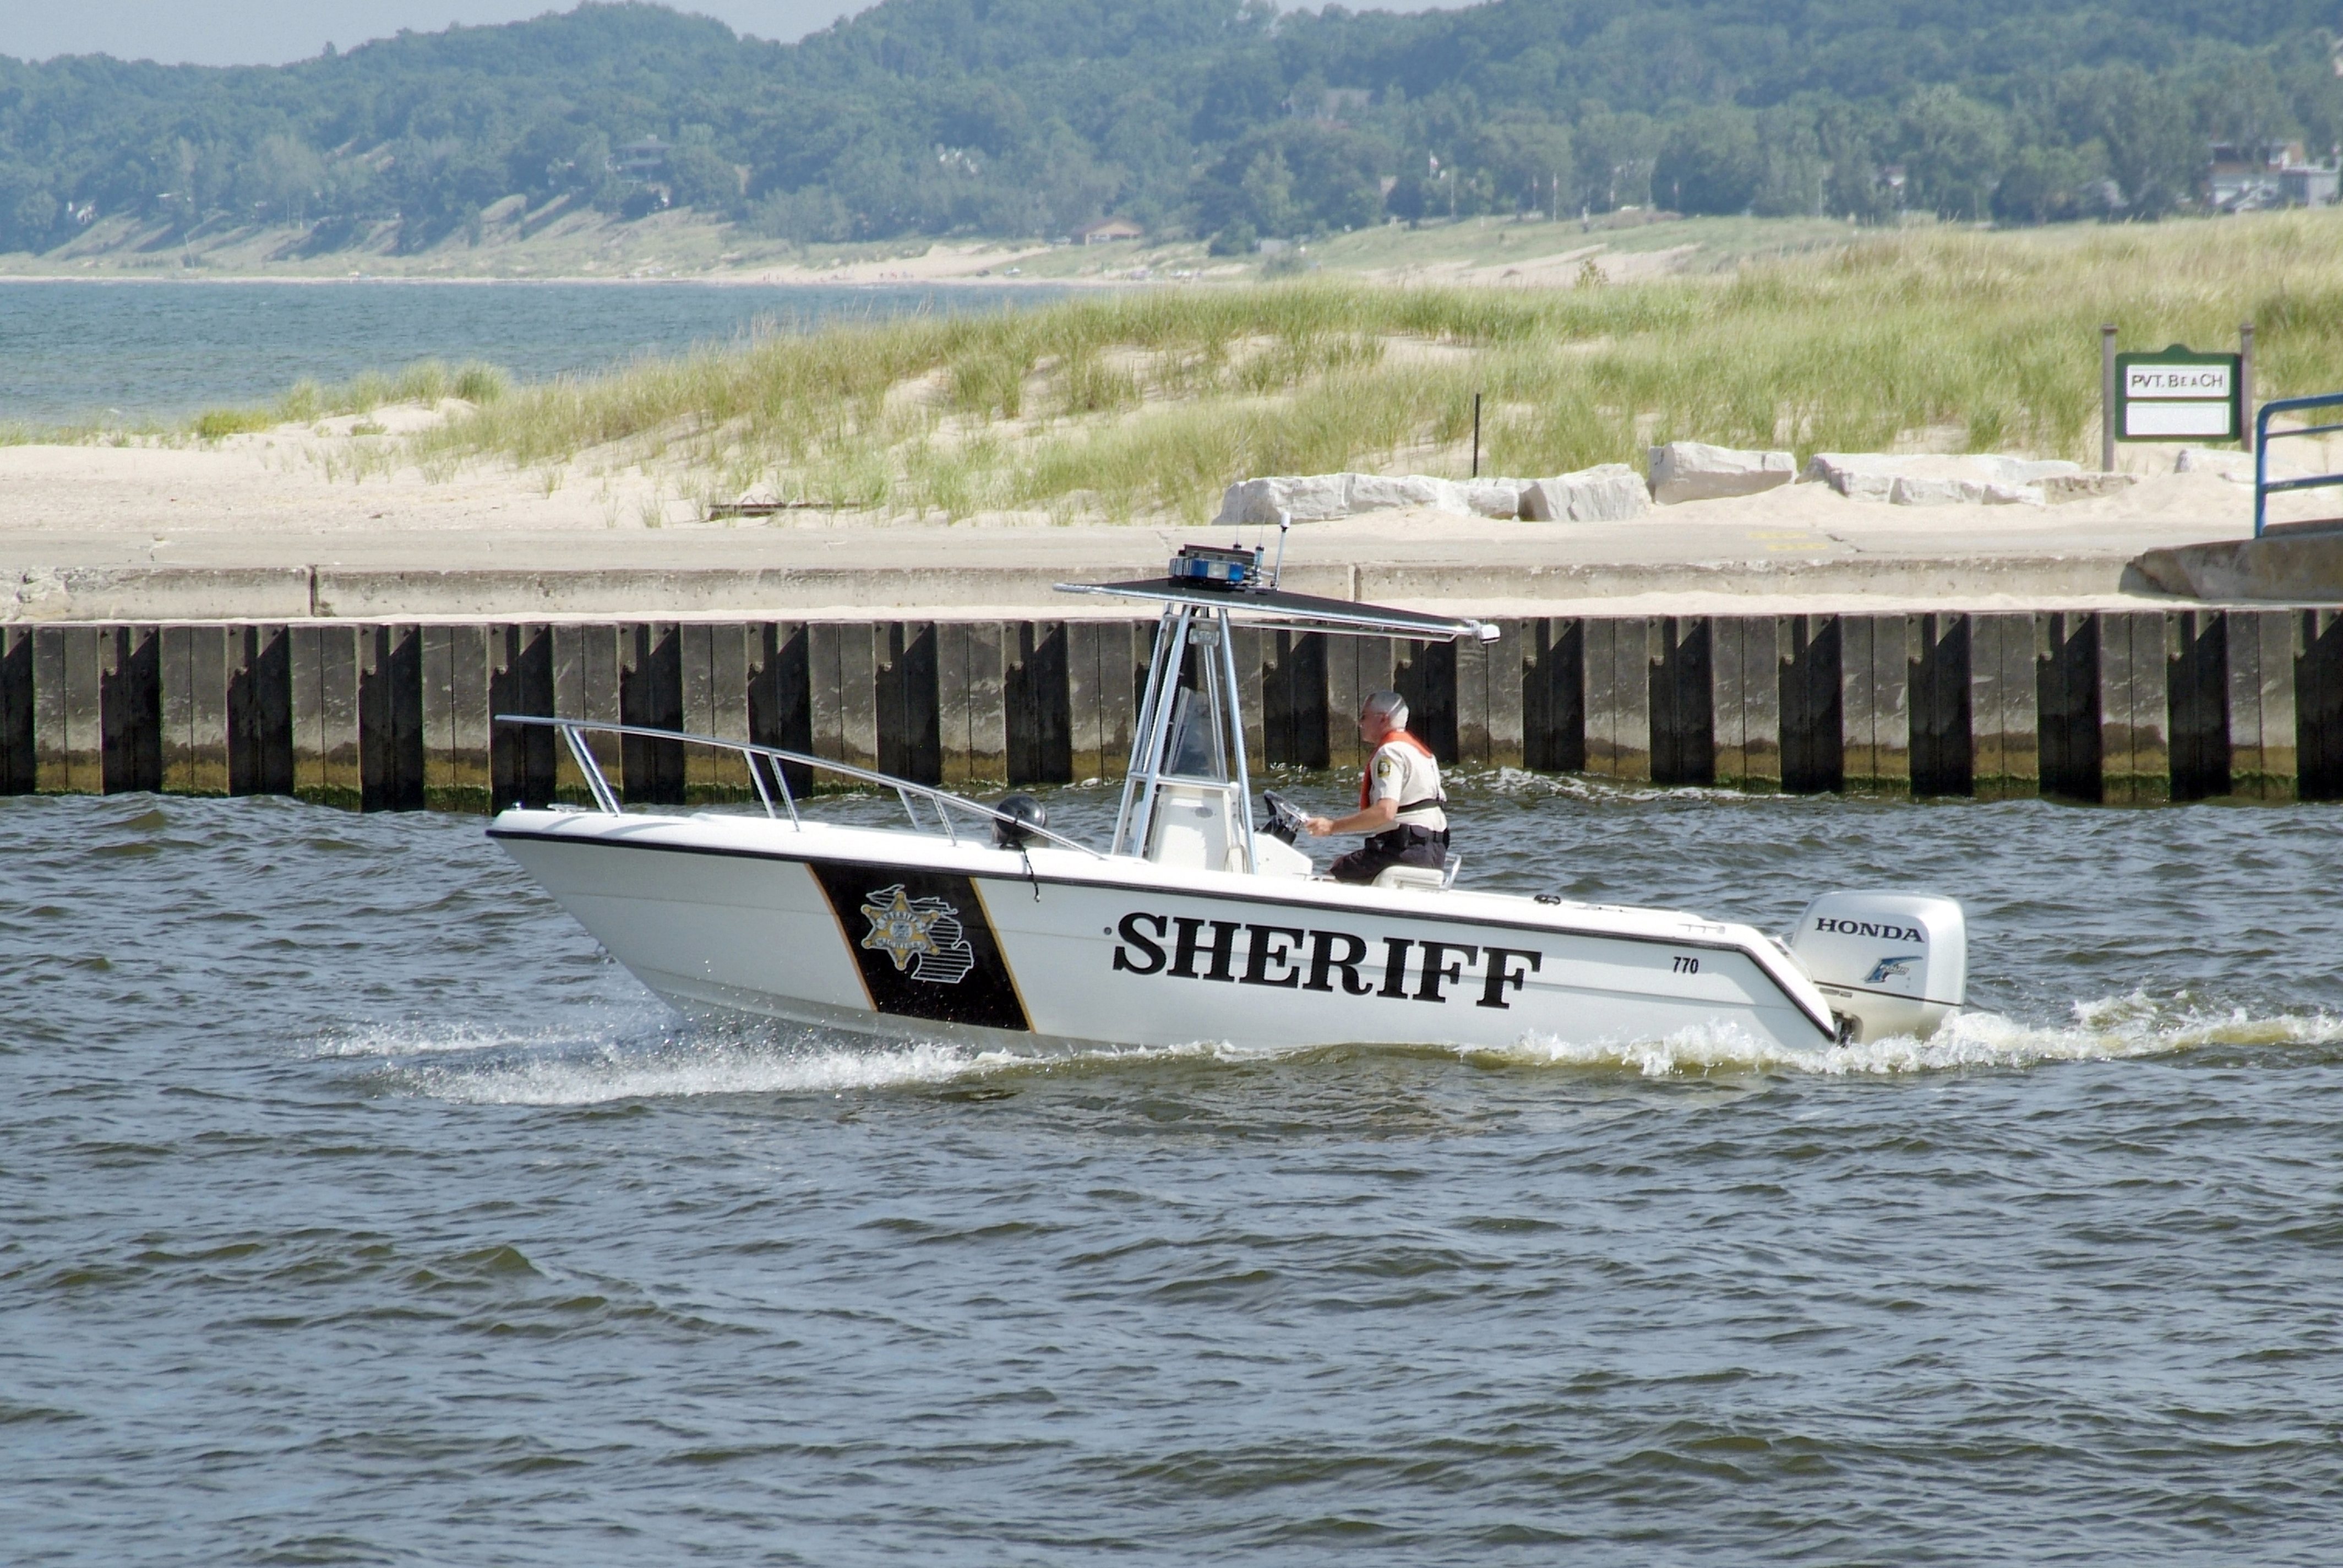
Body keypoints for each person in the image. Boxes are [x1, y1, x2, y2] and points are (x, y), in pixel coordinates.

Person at [1305, 690, 1449, 884]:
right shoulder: (1423, 754)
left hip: (1403, 850)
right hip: (1434, 853)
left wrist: (1331, 827)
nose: (1360, 723)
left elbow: (1385, 811)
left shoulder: (1390, 753)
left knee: (1332, 877)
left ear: (1383, 719)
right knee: (1348, 867)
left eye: (1364, 717)